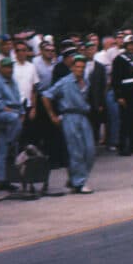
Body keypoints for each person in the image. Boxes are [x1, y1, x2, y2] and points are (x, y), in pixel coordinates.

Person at [45, 54, 97, 193]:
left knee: (90, 150)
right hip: (70, 116)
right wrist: (52, 115)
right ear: (72, 67)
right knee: (76, 151)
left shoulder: (86, 81)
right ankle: (79, 183)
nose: (80, 69)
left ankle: (75, 177)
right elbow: (46, 95)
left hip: (83, 115)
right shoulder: (65, 82)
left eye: (82, 67)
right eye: (77, 66)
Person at [0, 56, 24, 190]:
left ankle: (4, 179)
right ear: (0, 68)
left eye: (11, 67)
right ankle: (11, 140)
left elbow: (18, 99)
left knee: (5, 149)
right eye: (7, 67)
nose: (10, 69)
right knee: (13, 119)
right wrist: (14, 112)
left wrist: (21, 112)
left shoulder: (12, 81)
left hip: (12, 114)